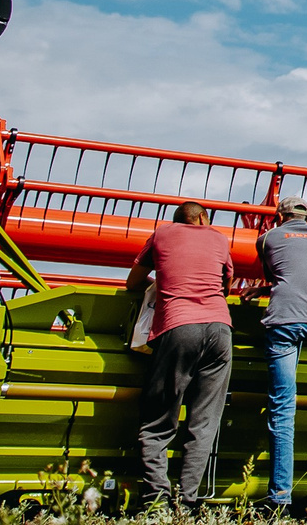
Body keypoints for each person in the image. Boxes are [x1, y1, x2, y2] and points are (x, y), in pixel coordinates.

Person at [124, 201, 234, 510]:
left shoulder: (162, 235)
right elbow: (226, 285)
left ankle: (156, 500)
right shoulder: (218, 238)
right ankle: (187, 502)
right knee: (204, 421)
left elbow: (133, 282)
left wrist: (164, 281)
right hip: (220, 329)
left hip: (177, 327)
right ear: (202, 217)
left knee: (159, 419)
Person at [257, 196, 307, 509]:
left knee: (282, 411)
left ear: (279, 217)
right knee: (299, 327)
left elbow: (278, 275)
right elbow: (306, 271)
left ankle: (279, 499)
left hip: (286, 321)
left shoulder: (267, 238)